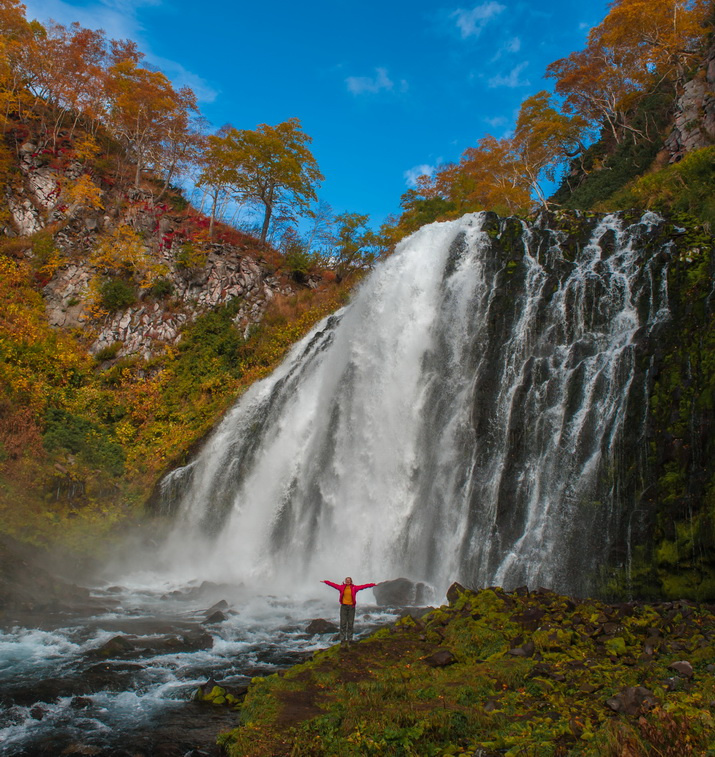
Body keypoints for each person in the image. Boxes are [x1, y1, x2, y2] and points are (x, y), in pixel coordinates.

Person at [322, 577, 376, 646]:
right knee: (343, 623)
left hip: (351, 607)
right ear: (345, 581)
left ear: (351, 581)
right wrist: (326, 582)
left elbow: (363, 586)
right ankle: (343, 640)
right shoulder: (341, 587)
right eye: (346, 580)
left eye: (349, 580)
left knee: (350, 624)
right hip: (344, 607)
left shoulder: (354, 588)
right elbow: (333, 585)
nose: (348, 581)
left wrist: (372, 584)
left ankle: (350, 640)